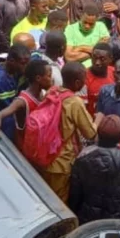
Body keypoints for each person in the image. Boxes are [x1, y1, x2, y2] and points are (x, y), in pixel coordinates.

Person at [39, 62, 98, 202]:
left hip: (44, 155)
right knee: (59, 202)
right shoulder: (74, 102)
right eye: (84, 79)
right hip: (61, 162)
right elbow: (90, 132)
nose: (85, 82)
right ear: (77, 82)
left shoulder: (51, 92)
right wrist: (99, 119)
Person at [68, 115, 120, 225]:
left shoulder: (81, 162)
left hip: (88, 222)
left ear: (99, 135)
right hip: (118, 223)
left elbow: (74, 199)